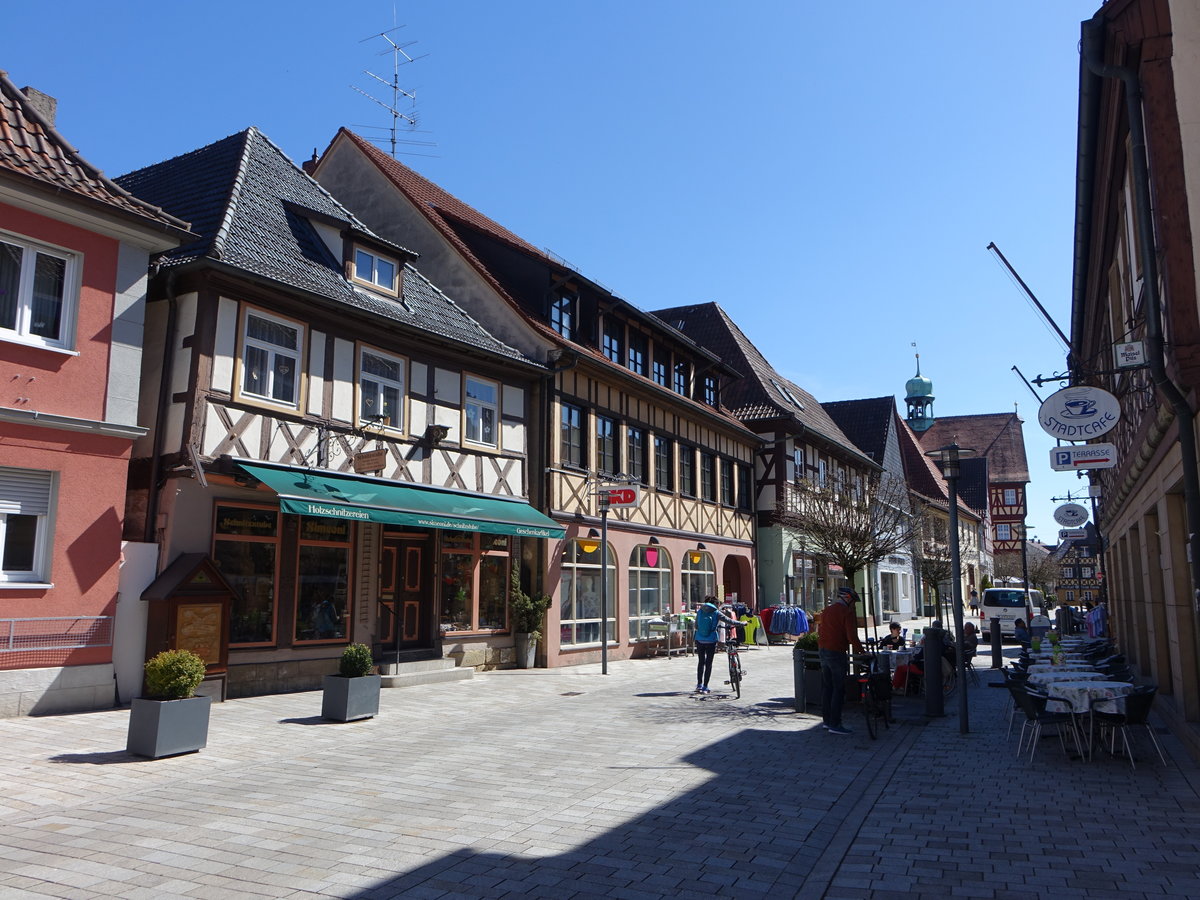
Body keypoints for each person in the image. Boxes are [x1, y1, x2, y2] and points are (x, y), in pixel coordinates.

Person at [817, 587, 864, 734]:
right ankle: (835, 724)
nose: (854, 606)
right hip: (836, 652)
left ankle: (826, 721)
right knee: (838, 688)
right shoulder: (846, 612)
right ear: (848, 599)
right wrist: (862, 652)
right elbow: (852, 636)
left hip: (823, 650)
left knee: (827, 687)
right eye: (854, 602)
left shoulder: (827, 610)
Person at [693, 596, 742, 694]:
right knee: (709, 663)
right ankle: (705, 686)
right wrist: (742, 623)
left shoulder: (700, 611)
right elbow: (730, 621)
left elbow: (696, 626)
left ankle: (699, 685)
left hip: (699, 639)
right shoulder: (716, 612)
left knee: (701, 662)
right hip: (711, 640)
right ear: (715, 604)